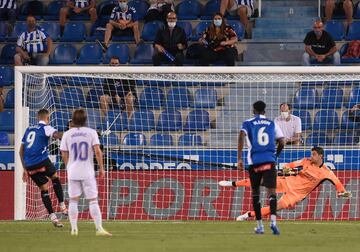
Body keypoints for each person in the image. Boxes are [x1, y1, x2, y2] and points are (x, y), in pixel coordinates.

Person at [220, 146, 352, 220]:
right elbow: (290, 165)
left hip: (296, 194)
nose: (311, 157)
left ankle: (247, 215)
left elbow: (340, 188)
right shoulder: (306, 161)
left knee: (274, 208)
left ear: (320, 156)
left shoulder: (327, 172)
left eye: (313, 155)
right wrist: (289, 171)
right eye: (311, 154)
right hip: (286, 181)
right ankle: (232, 184)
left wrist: (345, 195)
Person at [60, 109, 111, 237]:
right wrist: (101, 168)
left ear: (73, 119)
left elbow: (64, 153)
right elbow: (98, 151)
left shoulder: (67, 134)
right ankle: (99, 229)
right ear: (85, 119)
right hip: (87, 171)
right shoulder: (91, 132)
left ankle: (74, 229)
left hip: (73, 171)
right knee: (93, 200)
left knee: (73, 200)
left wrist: (68, 166)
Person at [238, 100, 285, 235]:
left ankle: (260, 226)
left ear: (254, 110)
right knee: (271, 193)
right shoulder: (272, 123)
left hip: (254, 161)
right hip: (269, 161)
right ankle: (273, 222)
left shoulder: (248, 123)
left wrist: (239, 158)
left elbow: (241, 136)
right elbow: (282, 141)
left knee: (256, 193)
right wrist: (276, 155)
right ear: (265, 111)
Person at [19, 109, 67, 227]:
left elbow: (21, 150)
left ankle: (53, 217)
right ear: (48, 118)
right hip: (41, 160)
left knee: (44, 188)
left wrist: (25, 169)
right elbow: (57, 135)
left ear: (37, 117)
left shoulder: (29, 129)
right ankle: (62, 206)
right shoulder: (46, 128)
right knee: (55, 177)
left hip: (29, 164)